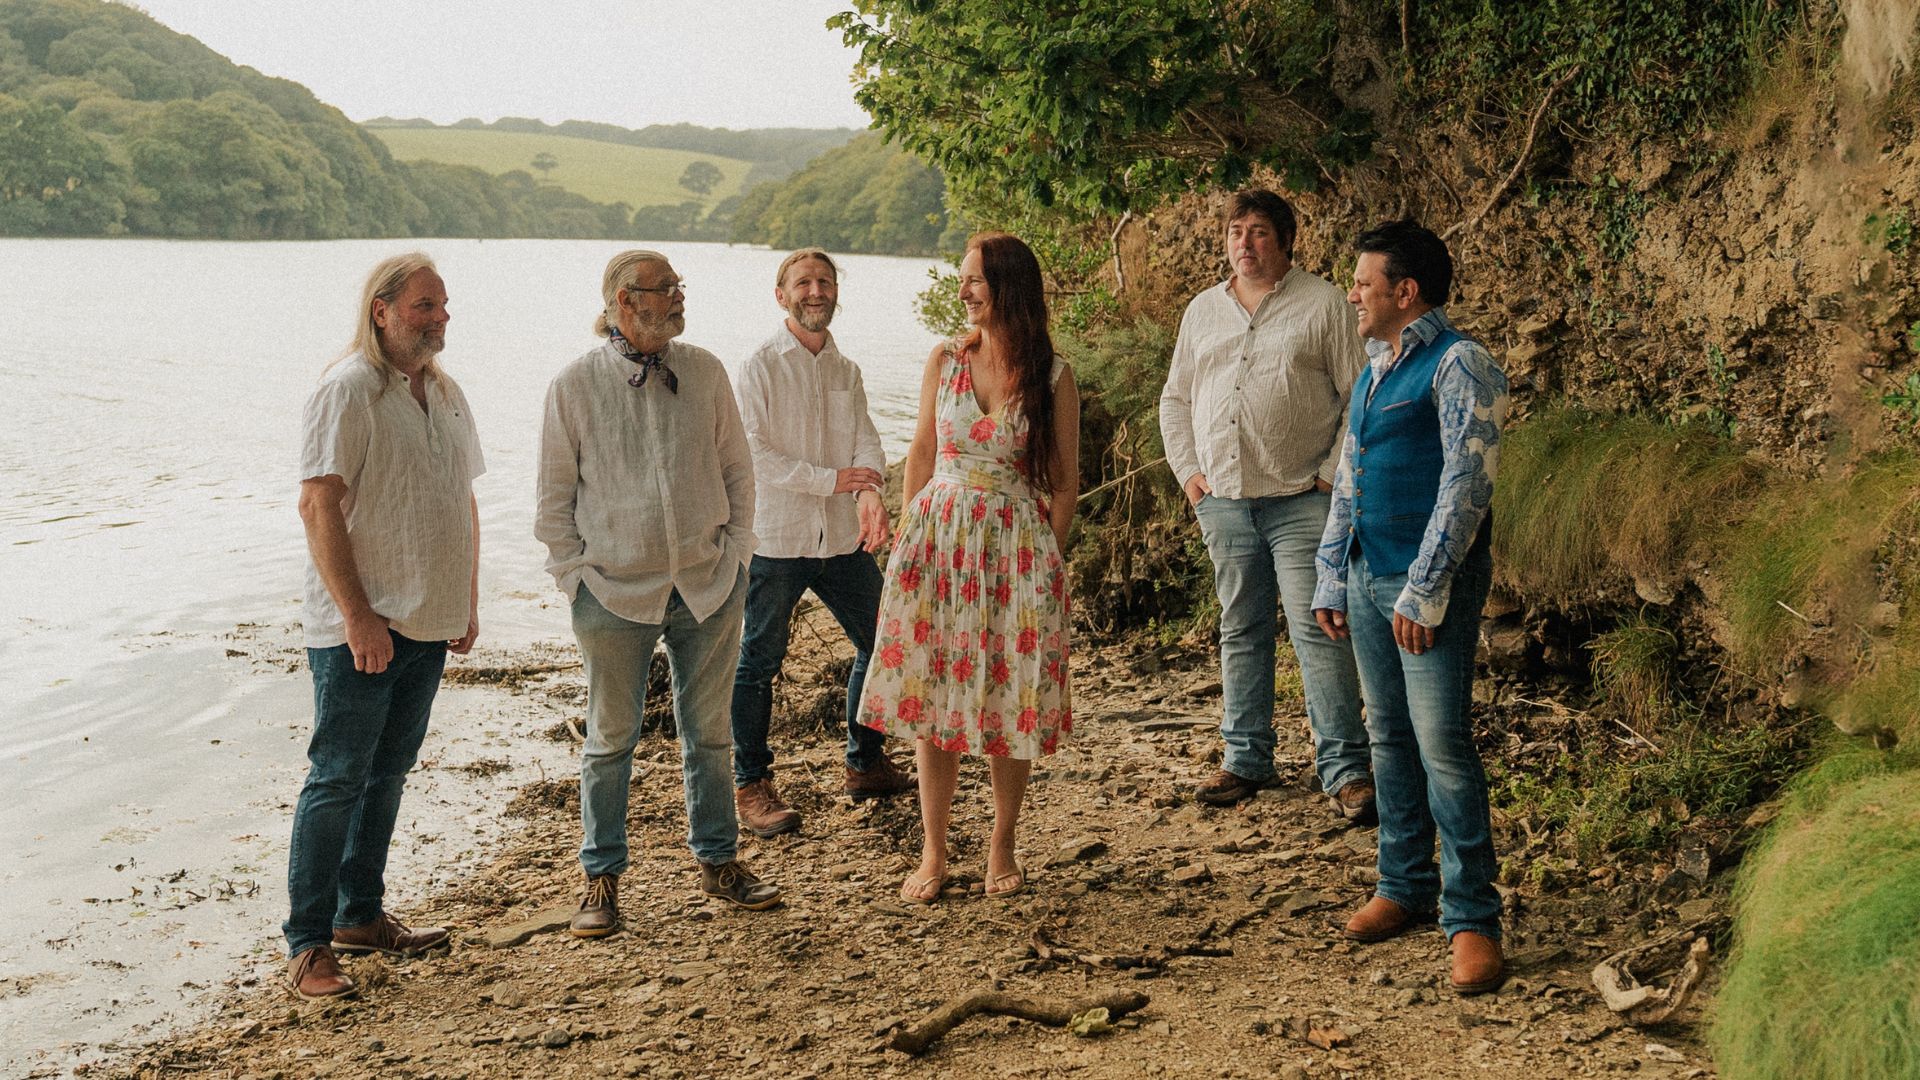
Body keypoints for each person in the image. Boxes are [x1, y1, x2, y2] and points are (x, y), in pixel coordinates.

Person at [536, 250, 781, 937]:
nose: (678, 297)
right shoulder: (575, 384)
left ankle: (719, 860)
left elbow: (738, 469)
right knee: (611, 739)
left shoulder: (703, 370)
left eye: (678, 286)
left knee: (710, 733)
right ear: (623, 302)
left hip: (707, 584)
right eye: (664, 289)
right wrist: (574, 579)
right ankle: (601, 878)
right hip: (612, 593)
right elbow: (553, 499)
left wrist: (737, 557)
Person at [1311, 220, 1510, 995]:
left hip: (1426, 588)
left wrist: (1426, 590)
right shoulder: (1371, 369)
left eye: (1364, 282)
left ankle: (1473, 919)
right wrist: (1333, 574)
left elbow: (1467, 486)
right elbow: (1351, 479)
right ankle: (1403, 885)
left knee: (1443, 747)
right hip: (1365, 581)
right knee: (1388, 739)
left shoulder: (1462, 364)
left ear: (1407, 291)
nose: (1353, 293)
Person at [859, 231, 1080, 905]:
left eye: (975, 280)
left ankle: (1002, 843)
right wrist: (901, 551)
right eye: (963, 279)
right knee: (932, 697)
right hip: (938, 543)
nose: (963, 291)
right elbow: (922, 455)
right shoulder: (946, 359)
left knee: (1009, 696)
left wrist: (1048, 561)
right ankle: (934, 848)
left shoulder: (1053, 375)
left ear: (1009, 287)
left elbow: (1065, 482)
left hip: (1016, 550)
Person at [286, 253, 478, 1000]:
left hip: (429, 620)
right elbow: (317, 505)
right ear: (382, 309)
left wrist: (465, 599)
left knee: (388, 775)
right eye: (424, 306)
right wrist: (358, 617)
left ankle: (359, 916)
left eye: (443, 305)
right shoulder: (347, 390)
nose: (439, 318)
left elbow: (459, 499)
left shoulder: (447, 391)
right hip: (361, 628)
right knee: (336, 778)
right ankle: (308, 944)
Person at [1157, 189, 1373, 818]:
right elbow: (1176, 400)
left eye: (1257, 233)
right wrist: (1191, 477)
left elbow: (1360, 399)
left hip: (1302, 498)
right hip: (1223, 500)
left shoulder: (1326, 305)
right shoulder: (1202, 311)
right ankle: (1245, 760)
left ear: (1284, 241)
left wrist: (1332, 480)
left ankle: (1346, 770)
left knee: (1320, 631)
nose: (1243, 244)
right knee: (1241, 629)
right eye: (1234, 232)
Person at [729, 249, 916, 837]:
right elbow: (752, 454)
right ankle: (750, 784)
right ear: (781, 294)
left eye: (825, 282)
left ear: (836, 292)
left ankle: (864, 763)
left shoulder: (846, 370)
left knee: (883, 638)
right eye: (803, 283)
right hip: (777, 537)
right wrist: (831, 481)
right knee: (759, 658)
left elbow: (866, 442)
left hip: (841, 538)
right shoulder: (759, 367)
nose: (816, 291)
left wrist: (868, 492)